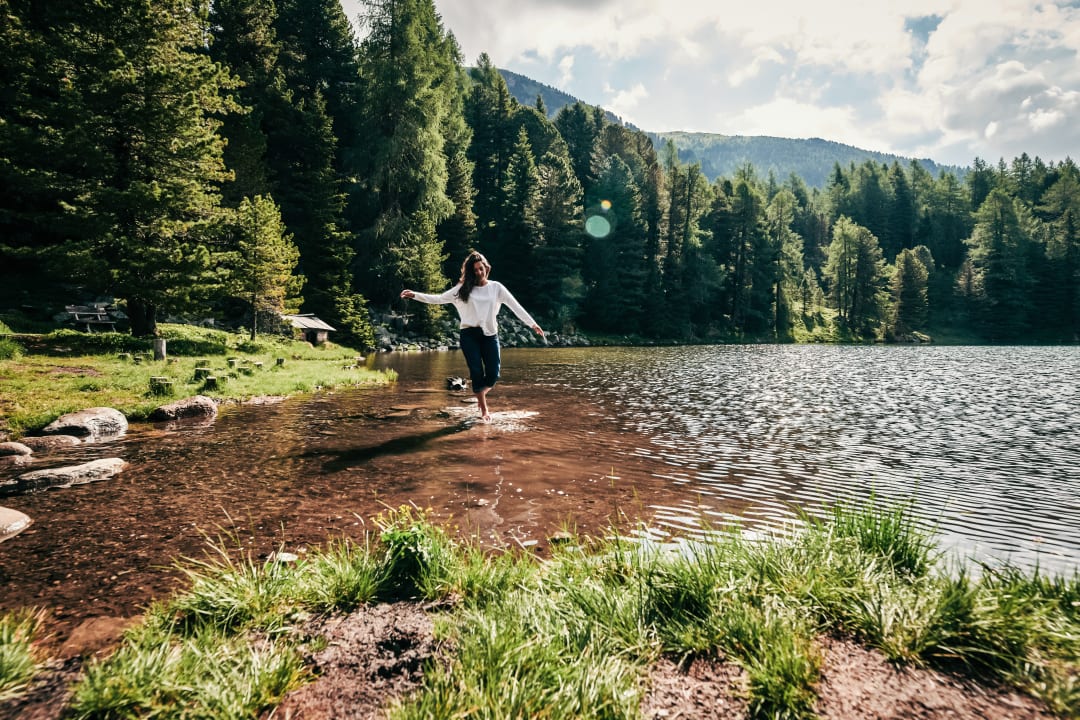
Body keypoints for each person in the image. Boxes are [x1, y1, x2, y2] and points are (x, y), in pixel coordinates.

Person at [400, 251, 544, 422]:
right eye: (475, 270)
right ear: (470, 271)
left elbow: (515, 306)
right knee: (476, 371)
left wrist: (532, 324)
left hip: (490, 335)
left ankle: (479, 393)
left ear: (486, 268)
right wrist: (414, 295)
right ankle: (484, 409)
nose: (478, 272)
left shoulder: (496, 287)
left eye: (481, 269)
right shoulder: (462, 289)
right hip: (469, 335)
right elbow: (438, 299)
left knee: (493, 374)